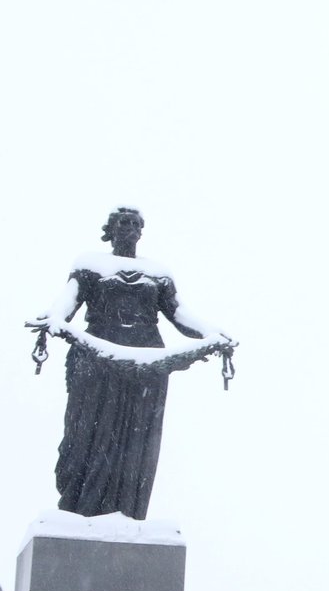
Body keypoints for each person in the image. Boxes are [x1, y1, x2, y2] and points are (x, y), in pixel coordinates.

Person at [28, 207, 235, 521]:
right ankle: (80, 505)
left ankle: (125, 513)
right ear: (110, 229)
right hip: (98, 360)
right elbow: (66, 304)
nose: (131, 228)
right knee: (87, 435)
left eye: (137, 224)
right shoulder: (89, 265)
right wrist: (52, 318)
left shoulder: (159, 273)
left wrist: (212, 333)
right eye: (124, 222)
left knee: (136, 443)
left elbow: (179, 315)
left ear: (142, 231)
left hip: (148, 364)